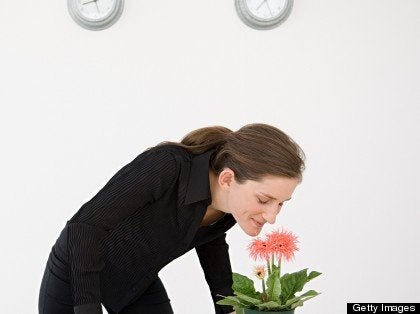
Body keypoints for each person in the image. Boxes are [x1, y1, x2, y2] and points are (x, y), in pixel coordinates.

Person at [38, 123, 305, 314]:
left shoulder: (228, 208)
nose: (271, 217)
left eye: (281, 203)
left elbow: (212, 248)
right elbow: (84, 227)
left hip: (135, 280)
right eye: (264, 200)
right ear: (227, 178)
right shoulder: (167, 166)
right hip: (79, 269)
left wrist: (230, 308)